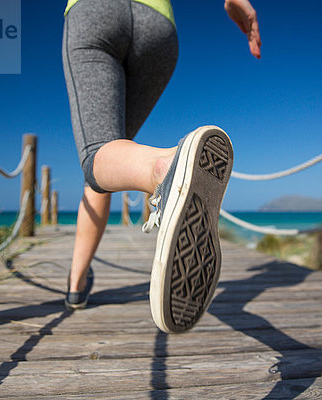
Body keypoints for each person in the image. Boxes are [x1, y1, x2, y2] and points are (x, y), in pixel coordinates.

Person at [62, 0, 261, 333]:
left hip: (95, 12)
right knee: (113, 153)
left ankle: (165, 167)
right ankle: (76, 287)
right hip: (157, 28)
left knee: (97, 153)